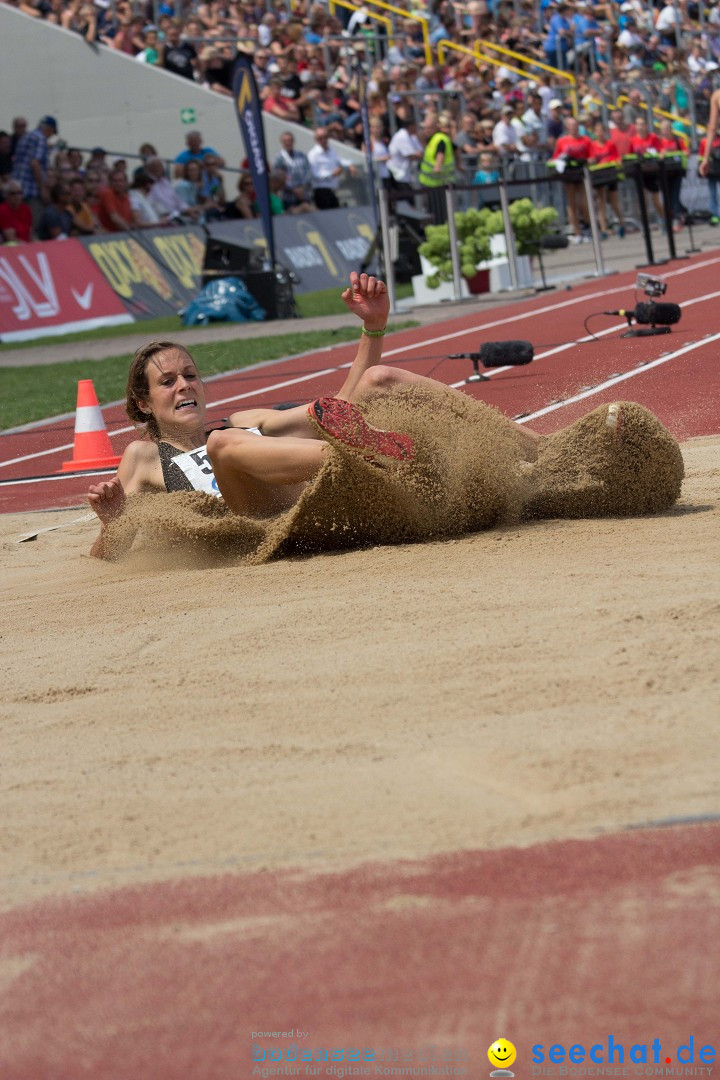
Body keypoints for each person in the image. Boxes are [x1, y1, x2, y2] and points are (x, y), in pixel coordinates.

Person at [550, 117, 594, 243]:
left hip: (581, 173)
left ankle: (587, 226)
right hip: (569, 174)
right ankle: (577, 232)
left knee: (584, 203)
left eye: (575, 125)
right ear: (567, 127)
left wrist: (587, 161)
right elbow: (556, 157)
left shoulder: (585, 140)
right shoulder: (562, 141)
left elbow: (592, 156)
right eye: (571, 126)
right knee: (572, 203)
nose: (574, 128)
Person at [272, 131, 313, 211]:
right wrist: (293, 189)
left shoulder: (301, 155)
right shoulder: (279, 158)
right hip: (288, 197)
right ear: (282, 142)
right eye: (285, 141)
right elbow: (277, 178)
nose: (288, 143)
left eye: (290, 140)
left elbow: (308, 172)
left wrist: (303, 188)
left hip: (304, 194)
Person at [307, 127, 345, 210]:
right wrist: (332, 174)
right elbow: (314, 174)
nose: (323, 140)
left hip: (333, 190)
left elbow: (339, 161)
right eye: (320, 138)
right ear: (316, 139)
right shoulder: (313, 154)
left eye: (325, 137)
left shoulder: (332, 151)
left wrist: (349, 165)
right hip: (321, 191)